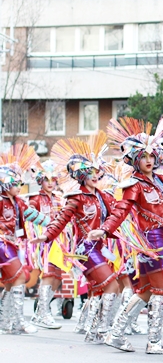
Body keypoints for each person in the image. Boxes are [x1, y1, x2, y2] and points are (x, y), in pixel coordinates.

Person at [97, 116, 163, 355]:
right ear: (135, 159)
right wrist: (105, 229)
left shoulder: (159, 181)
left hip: (161, 239)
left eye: (151, 156)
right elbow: (121, 210)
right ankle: (154, 341)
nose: (148, 160)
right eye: (143, 156)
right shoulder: (134, 184)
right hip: (151, 241)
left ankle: (116, 334)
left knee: (145, 291)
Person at [35, 134, 121, 343]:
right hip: (86, 251)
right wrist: (46, 236)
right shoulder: (76, 197)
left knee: (98, 289)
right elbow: (62, 219)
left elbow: (119, 214)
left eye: (96, 171)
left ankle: (92, 332)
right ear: (81, 174)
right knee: (112, 285)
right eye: (89, 171)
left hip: (101, 248)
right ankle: (102, 329)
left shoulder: (104, 196)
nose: (94, 174)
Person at [0, 145, 51, 335]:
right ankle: (20, 321)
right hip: (2, 244)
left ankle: (5, 323)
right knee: (21, 277)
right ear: (5, 183)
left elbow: (33, 215)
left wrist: (55, 223)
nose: (19, 187)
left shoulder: (18, 202)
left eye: (20, 184)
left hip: (12, 244)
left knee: (10, 283)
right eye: (15, 184)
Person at [27, 160, 66, 330]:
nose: (50, 183)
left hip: (59, 242)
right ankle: (44, 313)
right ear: (40, 181)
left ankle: (39, 313)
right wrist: (45, 224)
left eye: (53, 179)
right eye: (46, 179)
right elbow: (28, 216)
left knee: (57, 278)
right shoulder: (34, 198)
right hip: (43, 242)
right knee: (49, 275)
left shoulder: (59, 198)